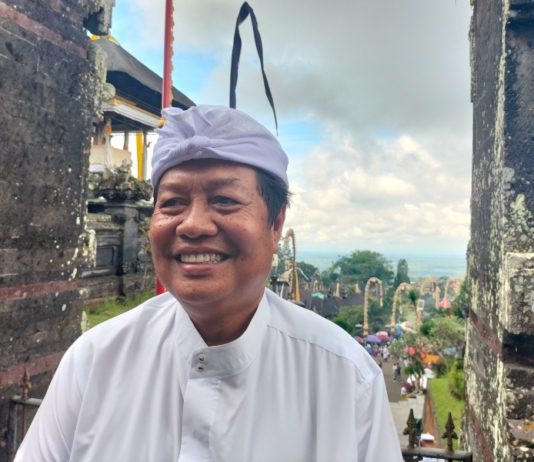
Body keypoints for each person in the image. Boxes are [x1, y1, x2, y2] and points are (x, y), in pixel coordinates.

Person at [16, 105, 402, 461]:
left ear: (276, 225)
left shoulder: (344, 378)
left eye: (224, 200)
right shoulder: (95, 361)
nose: (194, 225)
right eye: (173, 203)